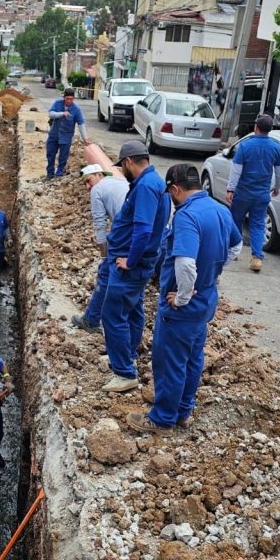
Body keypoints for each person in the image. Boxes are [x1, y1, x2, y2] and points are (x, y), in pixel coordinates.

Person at [127, 164, 242, 436]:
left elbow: (186, 262)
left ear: (176, 189)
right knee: (192, 357)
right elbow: (236, 247)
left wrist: (182, 296)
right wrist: (211, 273)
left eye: (170, 193)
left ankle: (162, 419)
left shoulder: (187, 216)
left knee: (169, 361)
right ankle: (183, 411)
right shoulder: (220, 210)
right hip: (205, 300)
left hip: (182, 308)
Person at [101, 140, 171, 393]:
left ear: (129, 162)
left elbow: (143, 230)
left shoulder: (146, 187)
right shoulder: (154, 182)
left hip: (130, 266)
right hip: (139, 263)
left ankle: (124, 372)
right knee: (132, 309)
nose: (123, 170)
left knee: (112, 314)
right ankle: (126, 354)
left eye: (123, 166)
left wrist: (129, 261)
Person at [71, 164, 130, 334]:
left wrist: (104, 256)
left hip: (125, 234)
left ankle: (91, 320)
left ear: (99, 174)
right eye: (84, 184)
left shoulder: (98, 189)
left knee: (105, 275)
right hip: (143, 235)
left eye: (88, 181)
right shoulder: (121, 182)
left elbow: (99, 225)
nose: (87, 187)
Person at [225, 114, 280, 273]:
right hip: (262, 194)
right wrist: (277, 187)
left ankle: (234, 249)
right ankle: (257, 258)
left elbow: (236, 171)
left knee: (235, 220)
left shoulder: (245, 146)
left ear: (256, 127)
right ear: (270, 129)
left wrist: (230, 189)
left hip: (243, 193)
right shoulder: (276, 148)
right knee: (258, 224)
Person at [46, 87, 91, 180]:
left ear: (73, 99)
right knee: (50, 154)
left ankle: (59, 174)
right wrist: (62, 113)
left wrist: (85, 138)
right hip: (54, 135)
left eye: (71, 99)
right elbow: (51, 114)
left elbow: (81, 124)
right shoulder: (57, 103)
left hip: (66, 137)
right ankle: (50, 174)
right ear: (64, 97)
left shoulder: (76, 109)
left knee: (63, 157)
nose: (69, 101)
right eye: (67, 99)